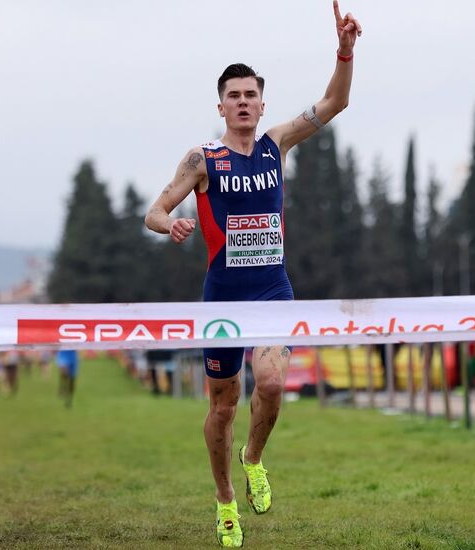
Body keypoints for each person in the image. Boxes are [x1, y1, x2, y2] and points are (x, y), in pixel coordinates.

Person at [144, 3, 361, 546]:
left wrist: (345, 50)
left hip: (272, 292)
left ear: (262, 105)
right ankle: (224, 503)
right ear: (221, 105)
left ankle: (255, 458)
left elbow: (336, 101)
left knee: (269, 384)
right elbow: (153, 210)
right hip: (222, 298)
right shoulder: (203, 159)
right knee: (223, 405)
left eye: (251, 95)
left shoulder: (276, 145)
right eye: (233, 96)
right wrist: (169, 225)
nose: (243, 103)